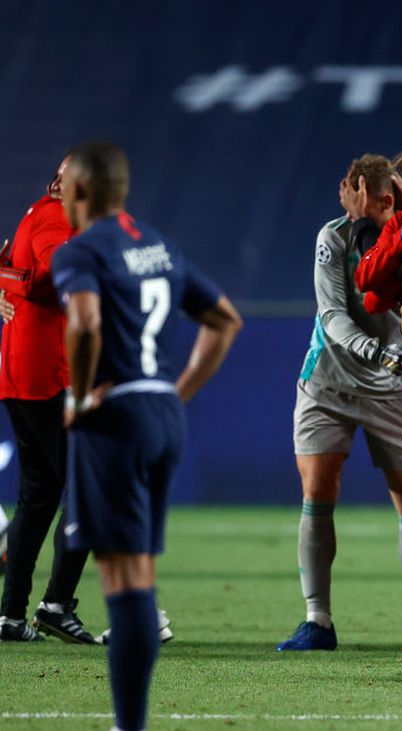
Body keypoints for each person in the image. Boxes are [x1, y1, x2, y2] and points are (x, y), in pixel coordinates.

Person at [51, 141, 241, 731]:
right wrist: (177, 392)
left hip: (115, 420)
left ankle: (128, 724)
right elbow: (224, 319)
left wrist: (79, 398)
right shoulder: (157, 244)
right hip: (163, 414)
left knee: (121, 580)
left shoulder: (80, 251)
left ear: (78, 191)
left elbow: (84, 323)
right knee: (140, 576)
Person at [275, 154, 402, 654]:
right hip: (328, 385)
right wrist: (376, 350)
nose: (343, 194)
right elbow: (330, 315)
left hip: (392, 390)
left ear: (381, 198)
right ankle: (317, 620)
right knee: (317, 495)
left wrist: (400, 353)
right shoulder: (334, 237)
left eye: (353, 188)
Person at [0, 154, 95, 644]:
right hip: (43, 378)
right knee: (85, 490)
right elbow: (61, 270)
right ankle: (56, 604)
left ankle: (11, 616)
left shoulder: (41, 212)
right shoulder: (56, 219)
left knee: (37, 496)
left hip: (23, 375)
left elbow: (28, 274)